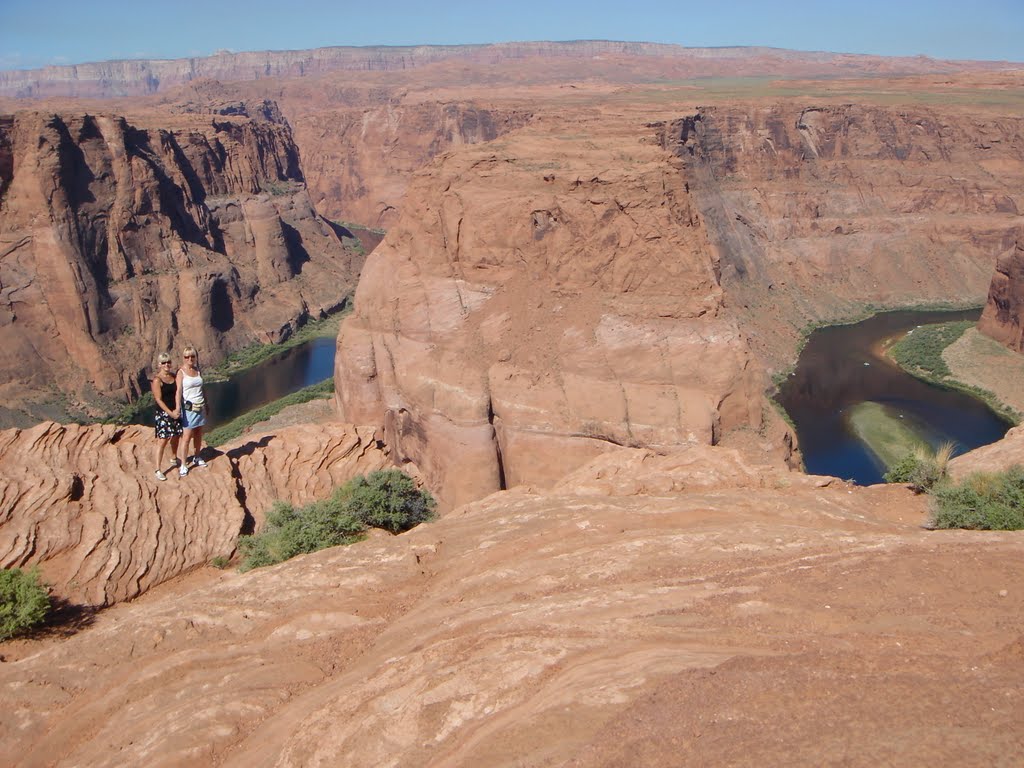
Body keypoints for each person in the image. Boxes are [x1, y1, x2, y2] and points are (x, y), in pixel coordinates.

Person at [176, 346, 208, 477]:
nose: (190, 359)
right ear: (183, 358)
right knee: (186, 437)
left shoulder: (197, 370)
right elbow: (178, 392)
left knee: (199, 434)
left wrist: (208, 403)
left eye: (192, 356)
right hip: (189, 408)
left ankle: (197, 456)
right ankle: (183, 464)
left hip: (200, 406)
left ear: (195, 357)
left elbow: (202, 388)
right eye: (187, 357)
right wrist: (178, 407)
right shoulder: (181, 372)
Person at [151, 352, 182, 481]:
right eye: (163, 363)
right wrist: (170, 413)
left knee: (175, 436)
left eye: (168, 362)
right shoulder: (157, 380)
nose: (166, 365)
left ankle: (174, 458)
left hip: (175, 411)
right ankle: (157, 469)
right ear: (159, 364)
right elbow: (158, 399)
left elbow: (178, 393)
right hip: (164, 414)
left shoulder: (174, 377)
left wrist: (178, 409)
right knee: (162, 441)